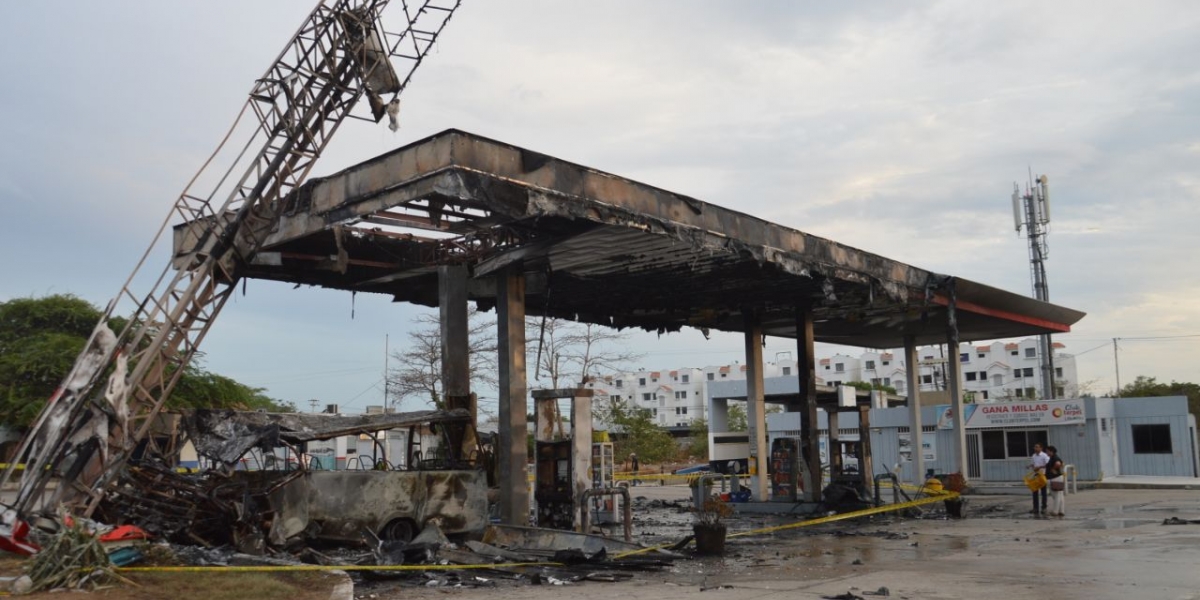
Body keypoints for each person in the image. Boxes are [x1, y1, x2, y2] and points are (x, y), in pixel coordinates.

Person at [1029, 443, 1049, 516]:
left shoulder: (1044, 455)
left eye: (1037, 447)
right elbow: (1034, 464)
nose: (1035, 448)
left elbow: (1048, 464)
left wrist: (1040, 467)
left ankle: (1044, 507)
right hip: (1036, 475)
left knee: (1043, 492)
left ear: (1041, 448)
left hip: (1043, 475)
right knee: (1035, 492)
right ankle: (1035, 507)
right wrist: (1030, 466)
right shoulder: (1034, 455)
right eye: (1035, 447)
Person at [1045, 446, 1066, 517]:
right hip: (1058, 477)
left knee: (1056, 495)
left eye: (1047, 451)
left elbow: (1058, 464)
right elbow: (1062, 463)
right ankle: (1061, 510)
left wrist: (1053, 469)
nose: (1046, 452)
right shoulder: (1054, 457)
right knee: (1060, 495)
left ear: (1051, 451)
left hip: (1055, 478)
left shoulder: (1055, 457)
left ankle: (1055, 511)